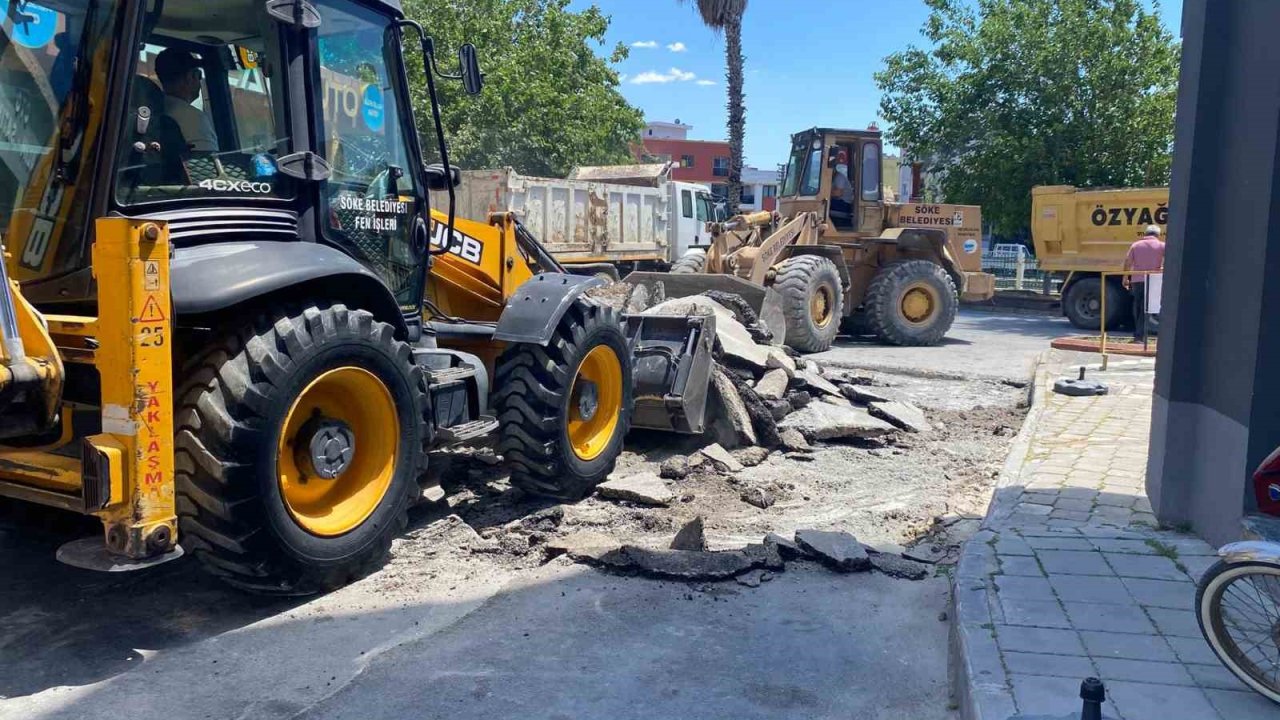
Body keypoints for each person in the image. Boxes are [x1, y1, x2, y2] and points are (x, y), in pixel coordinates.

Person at [154, 48, 219, 153]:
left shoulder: (153, 110)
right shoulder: (193, 118)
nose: (200, 80)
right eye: (199, 75)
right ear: (191, 77)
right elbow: (209, 165)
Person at [1123, 224, 1166, 341]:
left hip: (1137, 280)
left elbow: (1127, 262)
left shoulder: (1136, 245)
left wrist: (1125, 278)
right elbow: (1170, 260)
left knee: (1137, 305)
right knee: (1147, 307)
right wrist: (1161, 269)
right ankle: (1140, 335)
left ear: (1146, 234)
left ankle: (1138, 334)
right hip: (1153, 280)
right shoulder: (1162, 246)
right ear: (1157, 235)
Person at [830, 153, 854, 229]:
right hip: (839, 202)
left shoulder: (839, 177)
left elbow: (838, 193)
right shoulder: (833, 178)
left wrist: (824, 193)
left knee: (821, 204)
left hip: (844, 204)